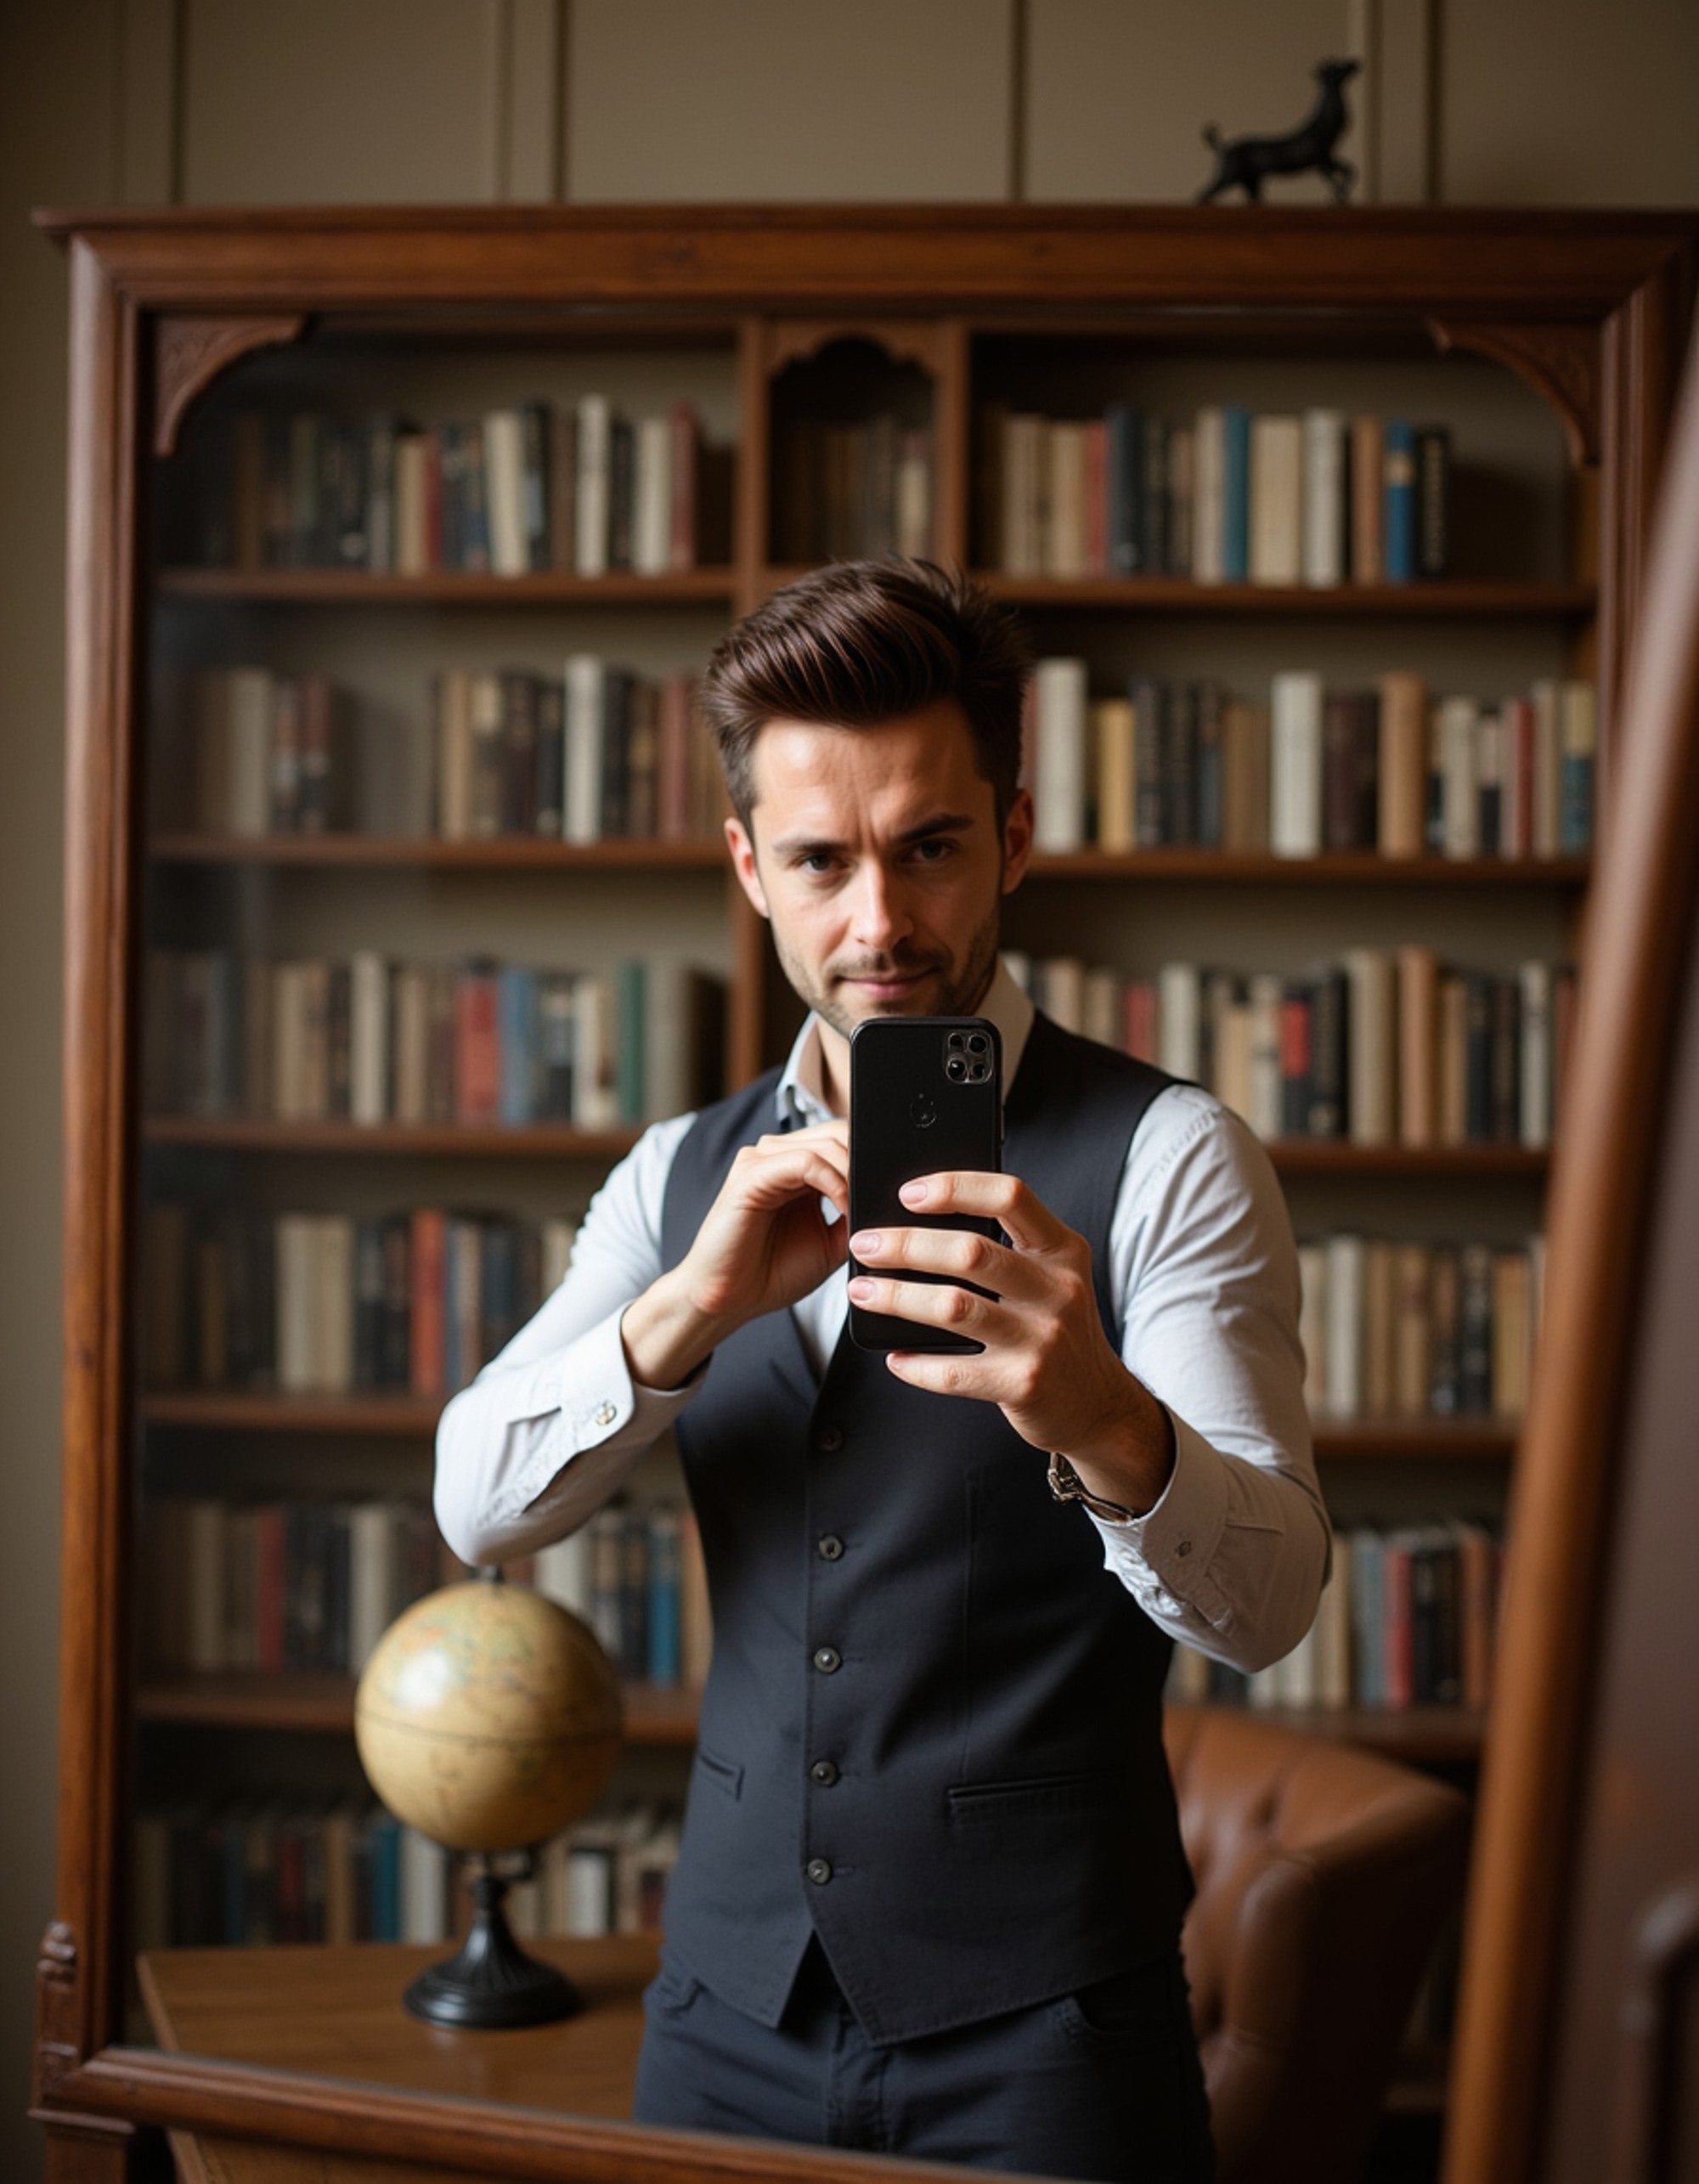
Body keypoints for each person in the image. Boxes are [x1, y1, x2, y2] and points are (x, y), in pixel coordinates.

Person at [434, 560, 1329, 2182]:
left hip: (1050, 2038)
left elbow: (1266, 1611)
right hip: (721, 2021)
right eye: (821, 860)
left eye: (928, 847)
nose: (881, 923)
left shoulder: (1173, 1156)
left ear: (1016, 839)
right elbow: (477, 1510)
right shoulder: (672, 1174)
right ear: (748, 867)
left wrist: (1105, 1418)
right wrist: (685, 1315)